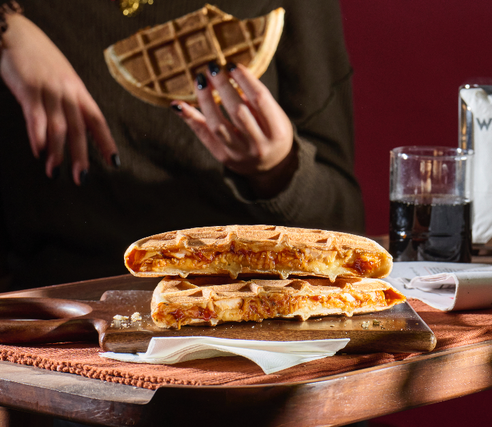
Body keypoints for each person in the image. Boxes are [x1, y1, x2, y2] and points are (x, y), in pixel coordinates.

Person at [0, 0, 364, 293]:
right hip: (49, 316)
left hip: (241, 309)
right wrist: (7, 28)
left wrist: (277, 168)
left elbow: (345, 225)